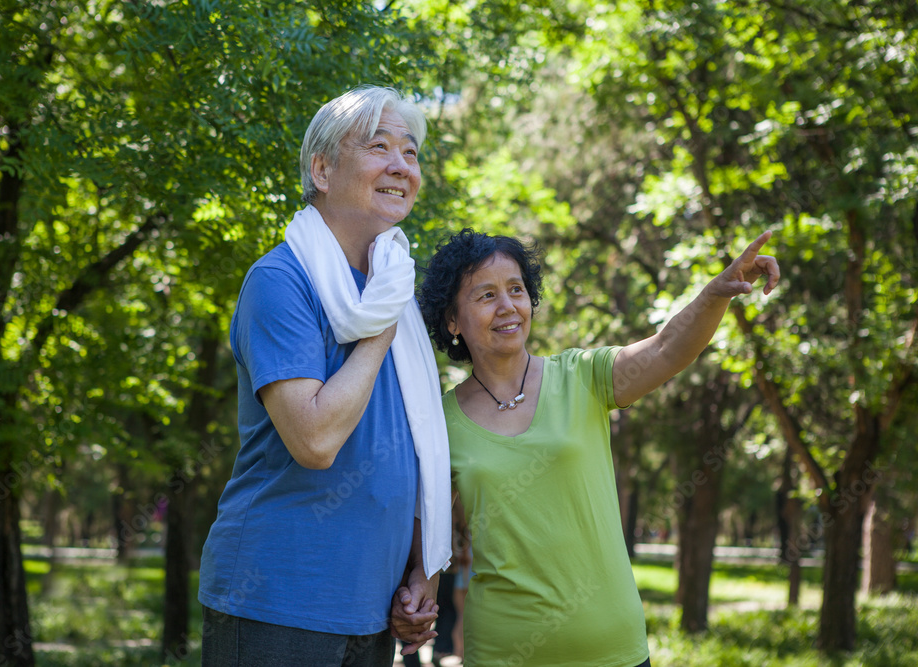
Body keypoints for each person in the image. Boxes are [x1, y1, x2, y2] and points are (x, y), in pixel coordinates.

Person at [418, 229, 780, 667]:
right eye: (486, 295)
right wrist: (419, 591)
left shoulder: (582, 376)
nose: (508, 306)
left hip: (614, 650)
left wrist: (717, 292)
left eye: (516, 289)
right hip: (502, 653)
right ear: (452, 320)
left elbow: (666, 349)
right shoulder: (441, 421)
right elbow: (428, 524)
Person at [198, 86, 453, 667]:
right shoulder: (281, 281)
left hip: (370, 607)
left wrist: (423, 570)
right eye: (379, 146)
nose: (401, 166)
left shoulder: (391, 287)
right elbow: (314, 441)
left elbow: (413, 448)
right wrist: (377, 337)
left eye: (410, 153)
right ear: (321, 168)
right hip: (275, 600)